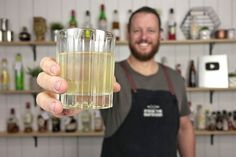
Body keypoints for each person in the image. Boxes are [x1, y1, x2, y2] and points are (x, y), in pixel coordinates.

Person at [37, 6, 195, 157]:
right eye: (137, 30)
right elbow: (85, 92)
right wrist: (63, 98)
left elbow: (184, 127)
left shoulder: (175, 78)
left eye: (151, 30)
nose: (144, 37)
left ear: (160, 35)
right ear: (128, 34)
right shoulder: (109, 72)